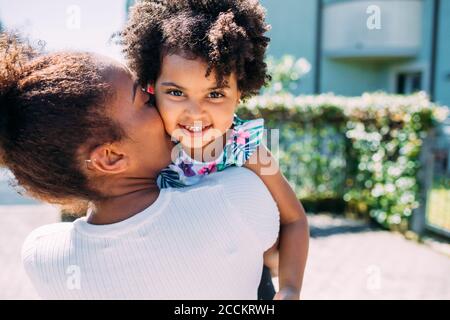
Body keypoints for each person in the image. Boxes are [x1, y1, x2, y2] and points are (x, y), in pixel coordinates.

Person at [0, 33, 279, 299]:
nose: (162, 105)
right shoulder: (237, 195)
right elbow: (276, 257)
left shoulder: (42, 256)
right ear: (110, 158)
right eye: (145, 100)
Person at [121, 0, 309, 299]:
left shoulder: (246, 149)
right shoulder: (148, 149)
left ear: (240, 93)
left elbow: (294, 220)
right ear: (151, 88)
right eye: (176, 92)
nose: (196, 112)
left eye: (215, 93)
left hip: (248, 285)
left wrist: (289, 288)